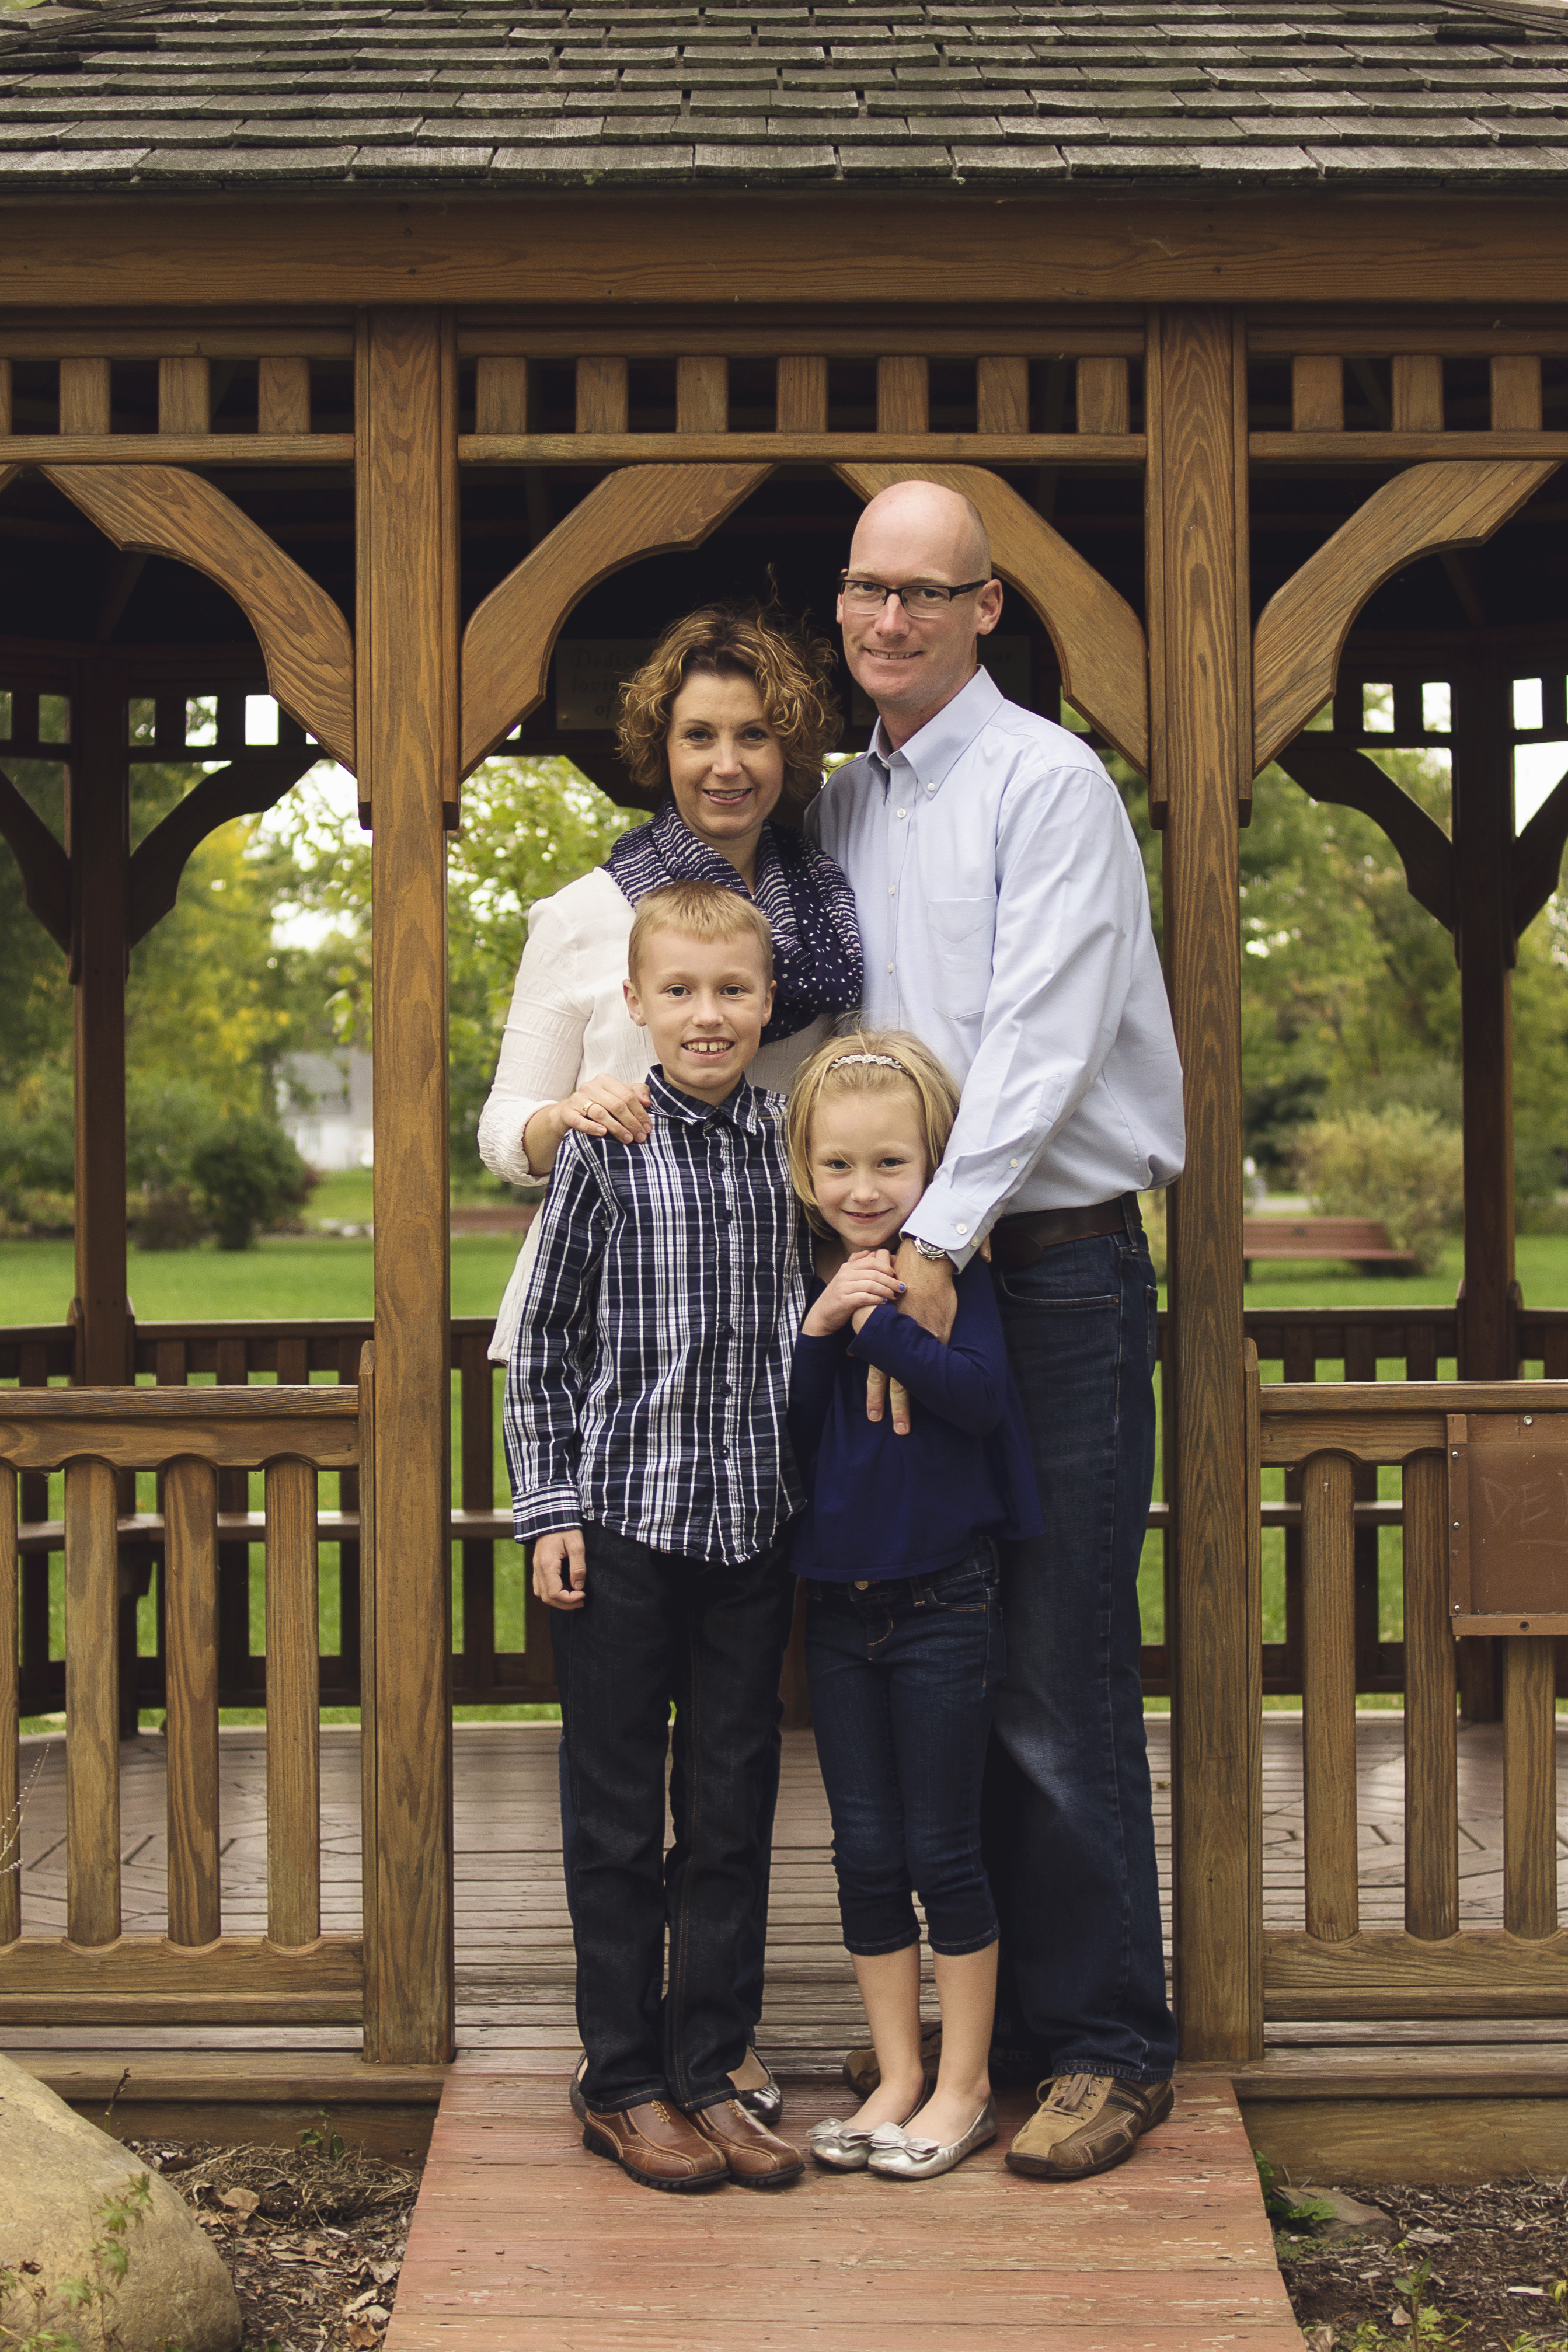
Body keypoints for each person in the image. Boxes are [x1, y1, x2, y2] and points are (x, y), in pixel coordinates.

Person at [807, 481, 1186, 2183]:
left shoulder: (1045, 781)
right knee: (938, 1660)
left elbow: (1037, 1034)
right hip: (908, 1278)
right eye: (862, 590)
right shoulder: (839, 806)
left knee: (1050, 1666)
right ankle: (995, 2033)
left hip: (1043, 1277)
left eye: (921, 593)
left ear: (986, 607)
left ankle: (1107, 2043)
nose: (886, 620)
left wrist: (938, 1238)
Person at [478, 601, 859, 2120]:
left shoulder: (824, 924)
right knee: (619, 1773)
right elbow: (500, 1124)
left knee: (735, 1776)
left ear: (788, 748)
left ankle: (711, 2047)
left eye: (753, 731)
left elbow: (842, 1129)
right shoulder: (582, 915)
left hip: (746, 1404)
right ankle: (623, 2056)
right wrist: (568, 1121)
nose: (725, 760)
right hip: (608, 1381)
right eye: (698, 732)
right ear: (660, 744)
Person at [504, 879, 809, 2193]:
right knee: (619, 1814)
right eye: (678, 990)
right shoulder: (601, 1145)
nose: (705, 1013)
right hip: (622, 1526)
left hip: (751, 1530)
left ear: (764, 1002)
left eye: (730, 989)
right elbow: (544, 1348)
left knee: (731, 1807)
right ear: (633, 1002)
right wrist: (549, 1509)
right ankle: (620, 2074)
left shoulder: (785, 1146)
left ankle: (712, 2065)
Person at [783, 1032, 1041, 2182]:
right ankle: (893, 2070)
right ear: (806, 1168)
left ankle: (964, 2081)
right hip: (837, 1613)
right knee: (865, 1851)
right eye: (837, 1164)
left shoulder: (955, 1278)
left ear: (934, 1167)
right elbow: (791, 1444)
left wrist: (882, 1319)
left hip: (941, 1600)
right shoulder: (826, 1287)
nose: (862, 1187)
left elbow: (977, 1401)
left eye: (890, 1162)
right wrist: (819, 1328)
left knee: (943, 1845)